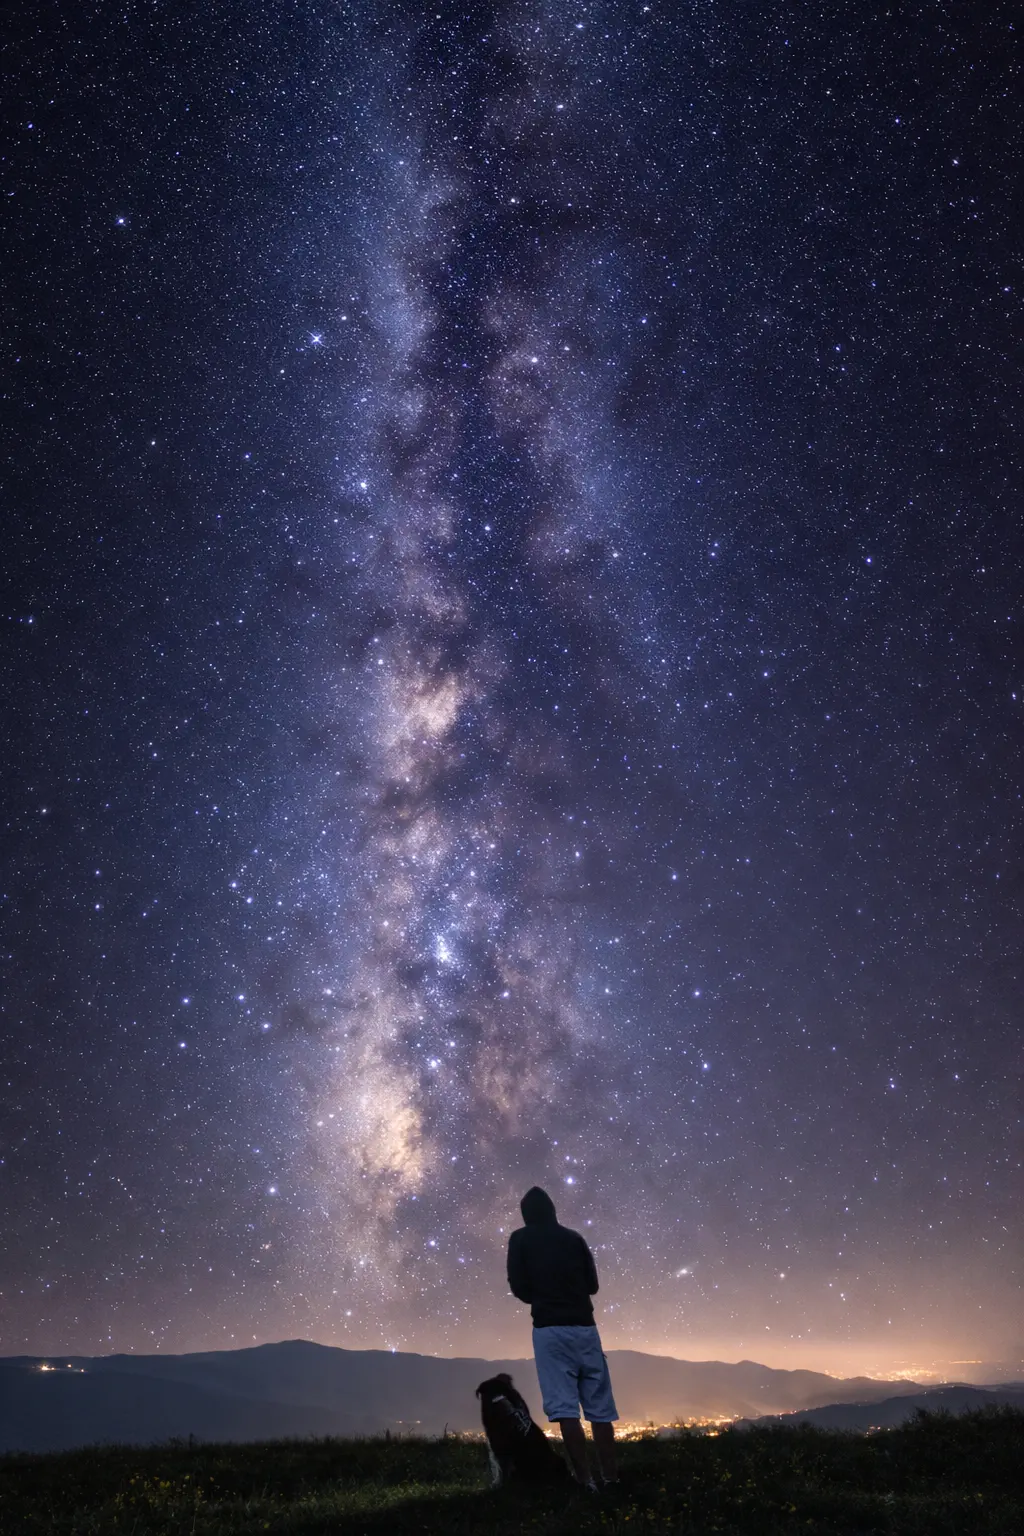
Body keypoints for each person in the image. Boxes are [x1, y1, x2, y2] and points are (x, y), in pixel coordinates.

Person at [506, 1186, 618, 1490]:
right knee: (600, 1409)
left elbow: (519, 1287)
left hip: (549, 1331)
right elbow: (592, 1286)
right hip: (585, 1328)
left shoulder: (520, 1239)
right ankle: (611, 1479)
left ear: (525, 1214)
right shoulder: (574, 1238)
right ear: (552, 1210)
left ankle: (585, 1482)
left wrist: (542, 1297)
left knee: (565, 1409)